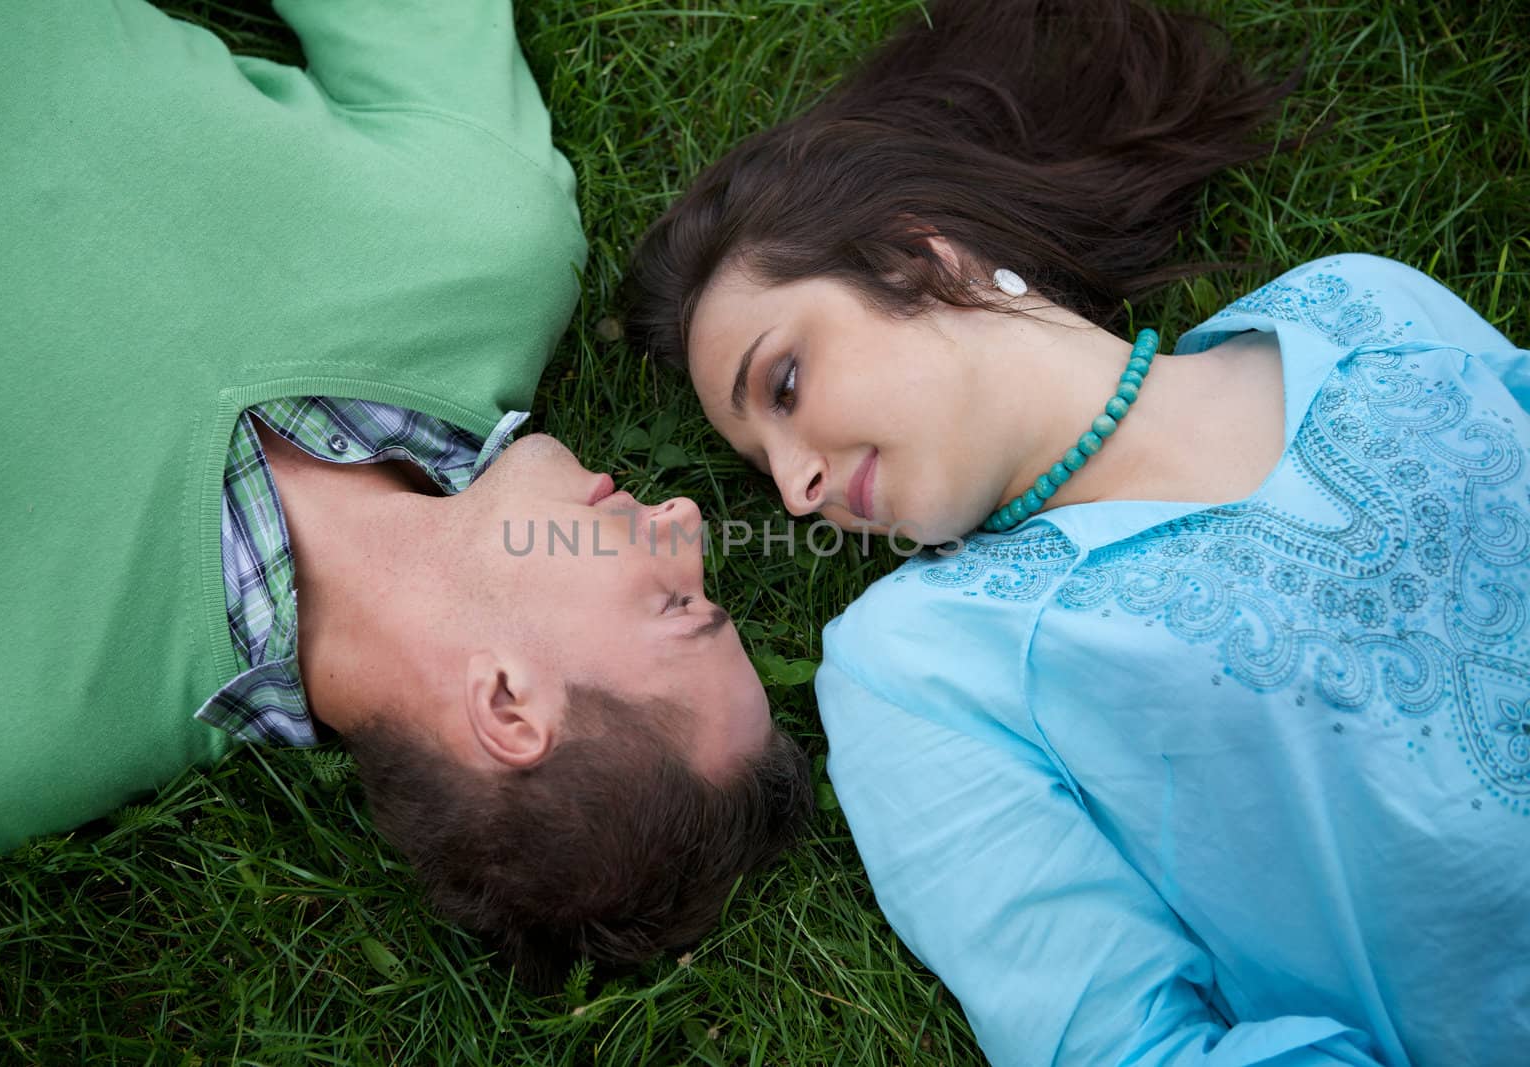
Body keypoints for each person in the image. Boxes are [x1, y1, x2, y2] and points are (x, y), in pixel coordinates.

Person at [626, 0, 1528, 1062]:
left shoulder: (1360, 305)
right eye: (760, 464)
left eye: (783, 382)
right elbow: (1120, 1043)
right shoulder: (918, 665)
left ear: (920, 255)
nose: (794, 485)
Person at [0, 0, 810, 984]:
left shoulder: (3, 744)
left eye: (678, 605)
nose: (686, 520)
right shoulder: (490, 245)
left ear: (508, 701)